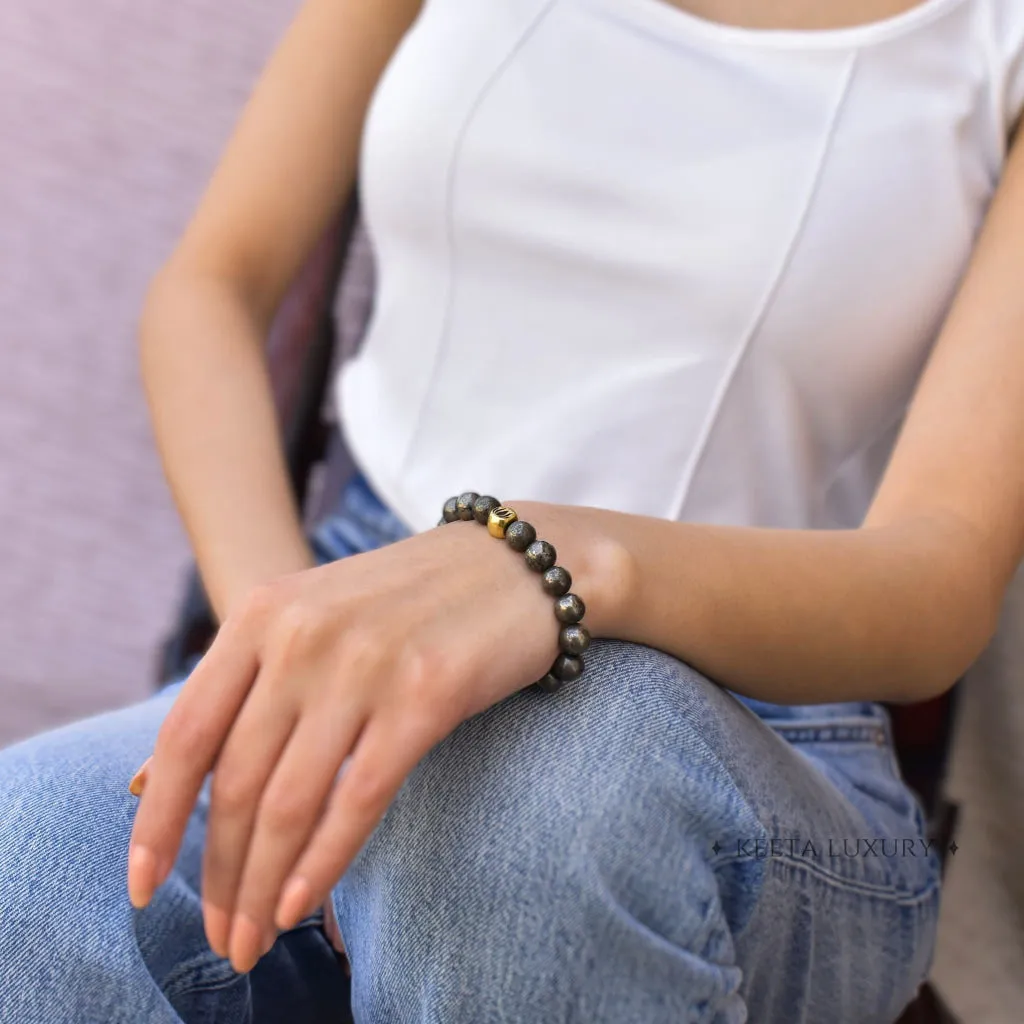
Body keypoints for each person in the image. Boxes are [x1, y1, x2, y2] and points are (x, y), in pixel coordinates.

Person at [3, 0, 1024, 1019]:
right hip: (357, 580)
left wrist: (548, 560)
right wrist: (294, 643)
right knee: (31, 859)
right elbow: (211, 286)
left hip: (766, 708)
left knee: (534, 830)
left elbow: (940, 571)